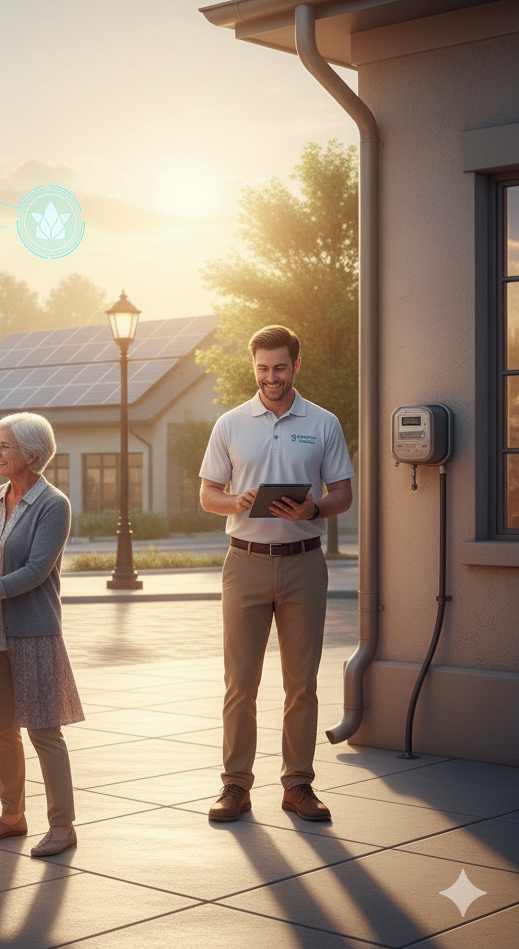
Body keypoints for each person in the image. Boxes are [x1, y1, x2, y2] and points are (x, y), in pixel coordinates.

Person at [199, 325, 354, 823]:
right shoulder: (230, 423)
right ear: (255, 368)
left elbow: (343, 495)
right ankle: (235, 787)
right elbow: (208, 496)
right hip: (244, 562)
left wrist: (313, 510)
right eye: (263, 368)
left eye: (280, 367)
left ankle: (298, 785)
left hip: (305, 563)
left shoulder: (325, 423)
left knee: (301, 682)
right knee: (240, 682)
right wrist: (235, 500)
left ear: (296, 366)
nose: (271, 377)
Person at [0, 411, 83, 858]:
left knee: (45, 732)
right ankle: (12, 816)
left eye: (4, 446)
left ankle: (62, 826)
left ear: (32, 454)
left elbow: (36, 571)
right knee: (3, 730)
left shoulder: (53, 504)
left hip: (34, 633)